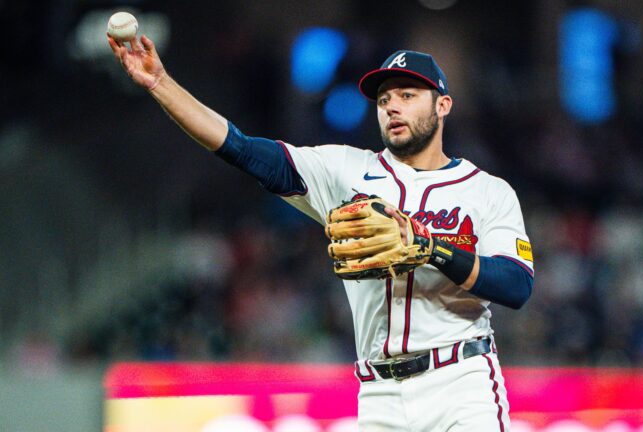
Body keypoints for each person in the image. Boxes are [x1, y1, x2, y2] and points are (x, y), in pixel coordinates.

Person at [108, 33, 534, 431]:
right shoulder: (345, 170)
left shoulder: (486, 190)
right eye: (385, 99)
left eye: (408, 95)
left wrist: (429, 249)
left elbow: (516, 285)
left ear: (443, 105)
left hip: (460, 382)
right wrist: (161, 83)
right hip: (380, 393)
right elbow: (239, 147)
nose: (393, 107)